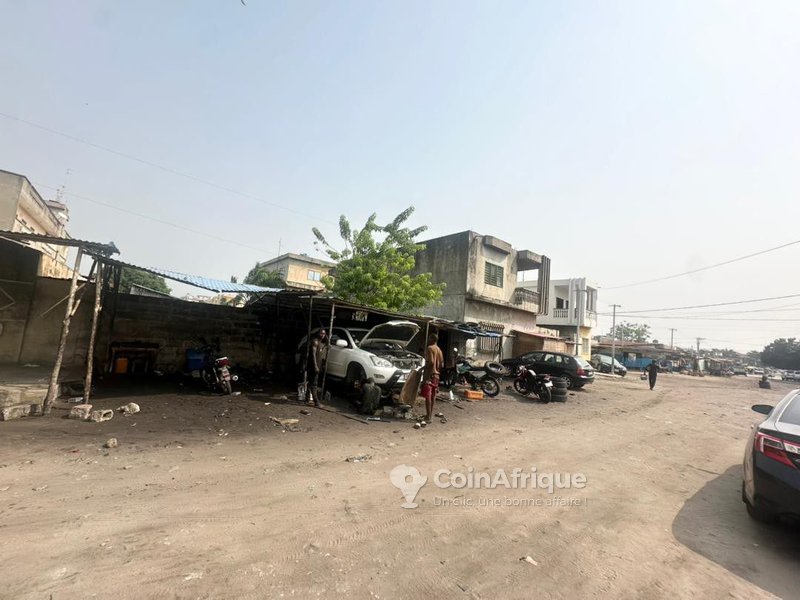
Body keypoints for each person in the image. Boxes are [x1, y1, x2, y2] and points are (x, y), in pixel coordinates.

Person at [421, 333, 444, 422]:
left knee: (428, 396)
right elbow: (442, 365)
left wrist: (423, 368)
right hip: (436, 376)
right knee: (433, 396)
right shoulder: (439, 350)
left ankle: (428, 416)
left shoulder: (430, 348)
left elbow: (430, 362)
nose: (428, 340)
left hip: (430, 375)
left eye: (429, 339)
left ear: (431, 339)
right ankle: (430, 415)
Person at [306, 329, 328, 406]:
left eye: (324, 334)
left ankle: (307, 398)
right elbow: (313, 355)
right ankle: (316, 401)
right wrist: (315, 366)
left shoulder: (320, 343)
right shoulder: (315, 342)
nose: (323, 335)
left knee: (311, 382)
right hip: (313, 366)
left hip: (316, 365)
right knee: (314, 384)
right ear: (318, 334)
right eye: (321, 333)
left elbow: (320, 352)